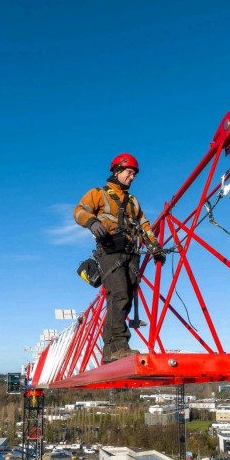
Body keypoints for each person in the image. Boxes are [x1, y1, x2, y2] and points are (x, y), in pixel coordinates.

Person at [73, 153, 165, 363]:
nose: (132, 177)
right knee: (119, 295)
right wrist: (91, 222)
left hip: (131, 254)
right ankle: (119, 345)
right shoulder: (99, 194)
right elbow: (79, 211)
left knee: (124, 299)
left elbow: (144, 226)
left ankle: (110, 351)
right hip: (110, 252)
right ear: (117, 171)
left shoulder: (133, 201)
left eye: (134, 174)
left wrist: (155, 248)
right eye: (129, 173)